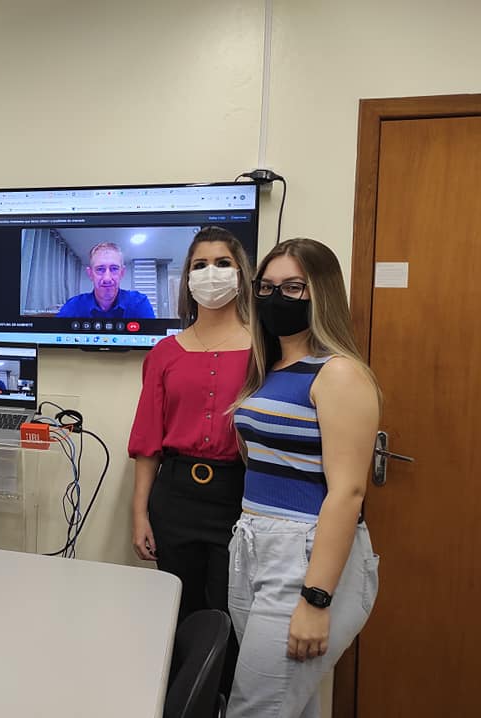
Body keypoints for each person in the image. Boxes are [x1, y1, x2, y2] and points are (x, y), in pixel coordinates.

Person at [228, 238, 381, 718]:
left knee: (256, 708)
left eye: (293, 287)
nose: (277, 298)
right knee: (287, 704)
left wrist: (316, 599)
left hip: (305, 556)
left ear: (322, 293)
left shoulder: (338, 373)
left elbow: (348, 492)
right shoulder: (270, 368)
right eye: (267, 287)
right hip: (253, 544)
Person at [128, 226, 253, 693]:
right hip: (175, 497)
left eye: (222, 263)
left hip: (237, 497)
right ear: (186, 278)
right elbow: (148, 440)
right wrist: (140, 512)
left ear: (241, 274)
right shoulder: (165, 353)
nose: (210, 273)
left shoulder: (264, 350)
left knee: (227, 616)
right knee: (179, 614)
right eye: (200, 265)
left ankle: (219, 702)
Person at [56, 242, 156, 319]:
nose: (107, 278)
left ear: (122, 273)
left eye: (114, 269)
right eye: (100, 269)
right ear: (90, 274)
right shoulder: (73, 306)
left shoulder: (139, 303)